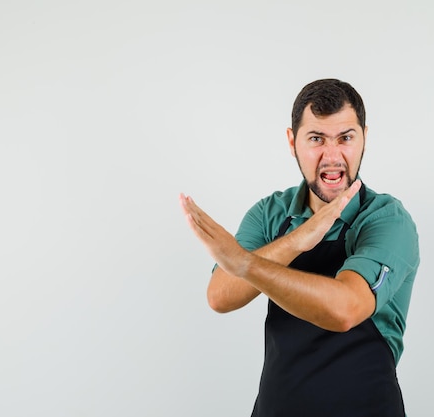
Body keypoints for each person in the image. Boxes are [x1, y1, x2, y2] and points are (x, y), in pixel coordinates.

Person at [180, 79, 420, 417]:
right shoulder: (270, 213)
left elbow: (346, 309)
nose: (332, 156)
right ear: (293, 142)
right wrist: (297, 240)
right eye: (316, 139)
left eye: (346, 138)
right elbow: (220, 296)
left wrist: (246, 264)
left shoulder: (386, 219)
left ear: (364, 138)